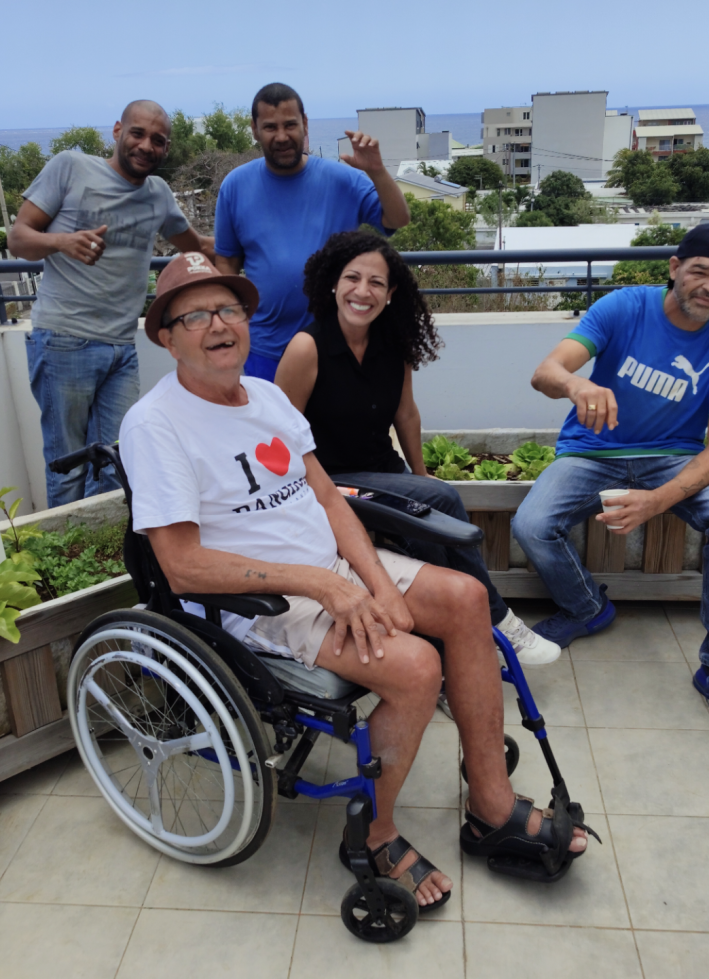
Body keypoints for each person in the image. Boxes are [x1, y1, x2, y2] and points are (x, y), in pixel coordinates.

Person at [119, 253, 590, 910]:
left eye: (227, 308)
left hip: (329, 569)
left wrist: (374, 583)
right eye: (193, 314)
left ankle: (488, 805)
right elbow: (181, 566)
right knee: (416, 665)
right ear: (166, 336)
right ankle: (373, 834)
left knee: (465, 598)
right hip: (261, 602)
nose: (217, 324)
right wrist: (321, 585)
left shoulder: (267, 397)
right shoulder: (155, 424)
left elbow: (332, 501)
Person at [274, 231, 561, 676]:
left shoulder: (393, 346)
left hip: (382, 474)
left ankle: (452, 659)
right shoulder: (306, 348)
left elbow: (406, 414)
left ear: (390, 295)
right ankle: (497, 619)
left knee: (431, 514)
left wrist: (421, 474)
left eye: (376, 283)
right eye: (352, 278)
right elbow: (279, 437)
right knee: (441, 503)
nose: (362, 291)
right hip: (330, 481)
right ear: (333, 283)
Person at [512, 225, 709, 700]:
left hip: (674, 458)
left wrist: (658, 500)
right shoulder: (626, 307)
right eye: (701, 271)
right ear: (675, 269)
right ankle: (586, 608)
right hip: (591, 451)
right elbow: (546, 372)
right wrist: (578, 386)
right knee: (532, 524)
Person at [8, 99, 214, 508]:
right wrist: (62, 241)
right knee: (68, 468)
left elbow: (199, 248)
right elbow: (18, 238)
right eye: (137, 133)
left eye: (158, 140)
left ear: (166, 149)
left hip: (122, 350)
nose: (146, 145)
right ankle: (68, 565)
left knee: (117, 463)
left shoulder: (157, 194)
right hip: (64, 342)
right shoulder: (71, 166)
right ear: (118, 131)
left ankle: (106, 563)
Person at [213, 82, 410, 382]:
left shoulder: (342, 179)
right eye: (270, 127)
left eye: (290, 124)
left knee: (331, 430)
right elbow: (226, 264)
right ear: (254, 129)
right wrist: (231, 325)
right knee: (272, 430)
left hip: (333, 344)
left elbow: (397, 219)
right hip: (264, 348)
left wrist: (377, 171)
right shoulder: (235, 186)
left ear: (305, 123)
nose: (282, 136)